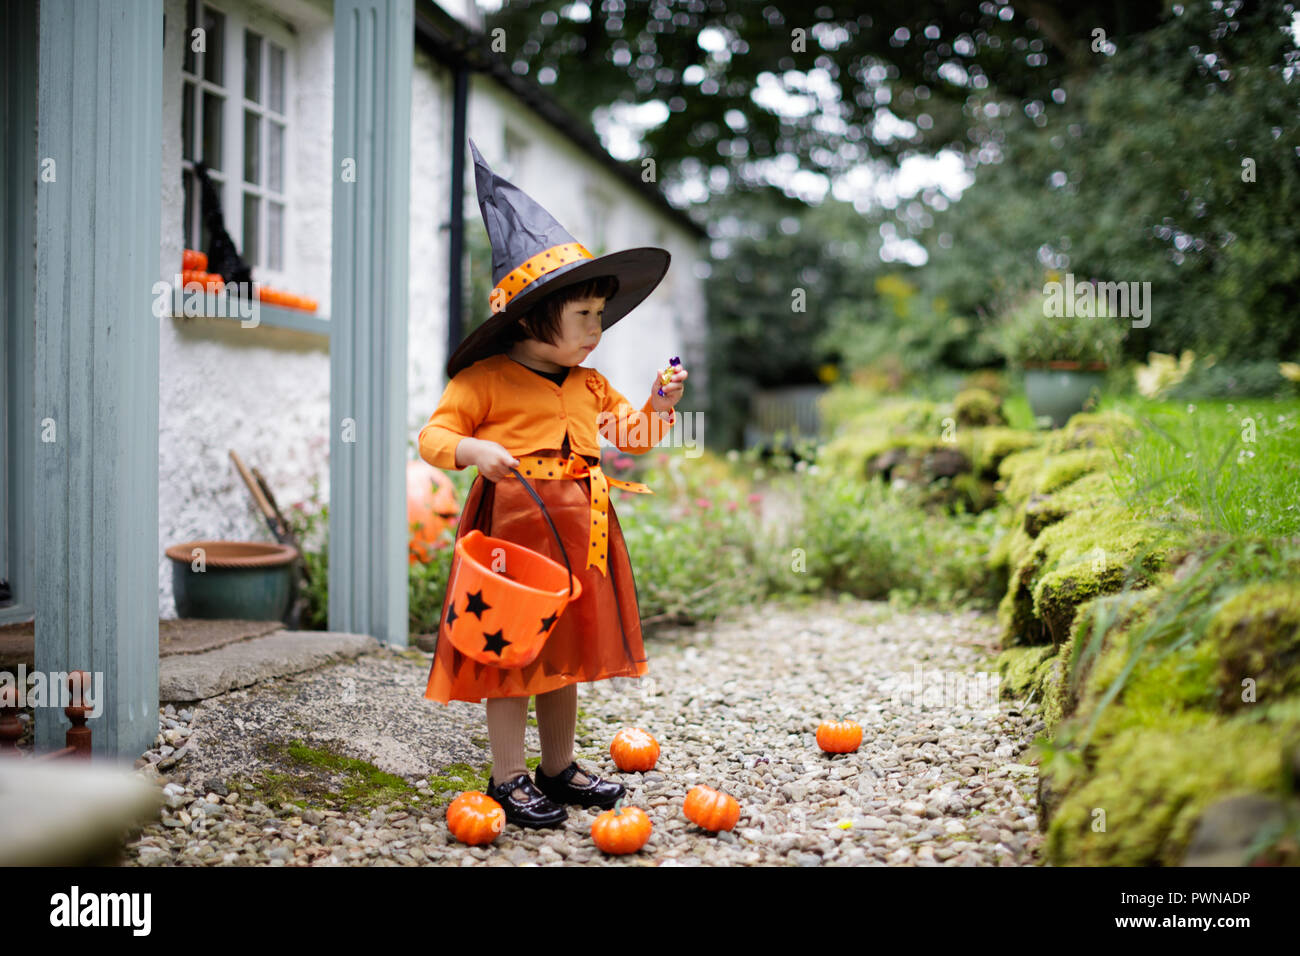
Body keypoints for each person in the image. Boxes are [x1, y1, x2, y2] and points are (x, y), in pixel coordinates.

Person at [417, 139, 687, 830]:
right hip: (513, 536)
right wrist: (476, 448)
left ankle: (557, 767)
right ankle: (507, 777)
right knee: (509, 654)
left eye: (600, 315)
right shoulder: (483, 381)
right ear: (535, 316)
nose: (598, 329)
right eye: (586, 317)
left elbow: (630, 438)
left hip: (582, 533)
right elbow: (433, 438)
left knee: (562, 654)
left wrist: (658, 404)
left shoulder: (590, 383)